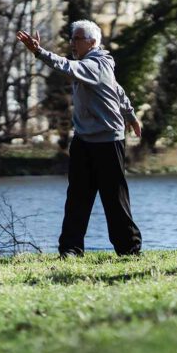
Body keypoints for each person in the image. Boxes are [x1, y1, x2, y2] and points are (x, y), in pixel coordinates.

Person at [17, 20, 143, 257]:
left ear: (92, 42)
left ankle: (129, 249)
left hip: (108, 141)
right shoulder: (93, 65)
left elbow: (66, 66)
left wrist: (38, 52)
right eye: (72, 38)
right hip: (84, 141)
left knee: (114, 199)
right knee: (77, 197)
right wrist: (132, 116)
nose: (72, 43)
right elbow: (118, 91)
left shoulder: (95, 65)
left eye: (77, 39)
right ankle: (71, 249)